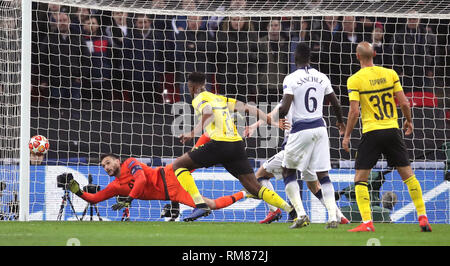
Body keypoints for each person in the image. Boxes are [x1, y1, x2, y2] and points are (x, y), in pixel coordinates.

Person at [172, 72, 296, 223]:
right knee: (253, 186)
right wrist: (271, 121)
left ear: (191, 87)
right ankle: (292, 211)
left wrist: (192, 133)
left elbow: (208, 112)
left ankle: (200, 204)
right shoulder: (219, 98)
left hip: (219, 144)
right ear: (205, 84)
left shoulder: (198, 98)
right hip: (237, 145)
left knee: (178, 165)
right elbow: (248, 108)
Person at [342, 41, 432, 232]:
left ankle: (367, 223)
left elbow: (354, 112)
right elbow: (405, 103)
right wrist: (409, 121)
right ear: (374, 54)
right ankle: (423, 216)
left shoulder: (354, 79)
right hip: (392, 130)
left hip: (371, 132)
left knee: (360, 179)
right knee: (408, 176)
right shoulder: (390, 73)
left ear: (357, 56)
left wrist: (347, 135)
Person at [278, 43, 346, 229]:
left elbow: (284, 107)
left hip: (301, 129)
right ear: (310, 58)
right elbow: (336, 103)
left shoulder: (291, 79)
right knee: (323, 174)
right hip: (320, 128)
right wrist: (340, 122)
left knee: (288, 171)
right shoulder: (322, 77)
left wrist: (280, 117)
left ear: (295, 58)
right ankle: (333, 217)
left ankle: (300, 214)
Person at [244, 105, 350, 225]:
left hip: (292, 148)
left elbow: (270, 115)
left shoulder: (289, 100)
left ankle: (278, 211)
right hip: (312, 148)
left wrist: (253, 126)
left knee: (259, 176)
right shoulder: (313, 108)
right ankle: (340, 217)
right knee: (314, 186)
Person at [68, 153, 246, 221]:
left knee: (200, 153)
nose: (106, 167)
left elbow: (142, 181)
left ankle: (226, 151)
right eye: (103, 166)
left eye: (108, 162)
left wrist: (130, 199)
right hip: (173, 193)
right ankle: (245, 193)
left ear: (117, 161)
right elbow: (94, 199)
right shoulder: (115, 186)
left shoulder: (130, 162)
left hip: (169, 173)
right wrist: (78, 192)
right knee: (211, 205)